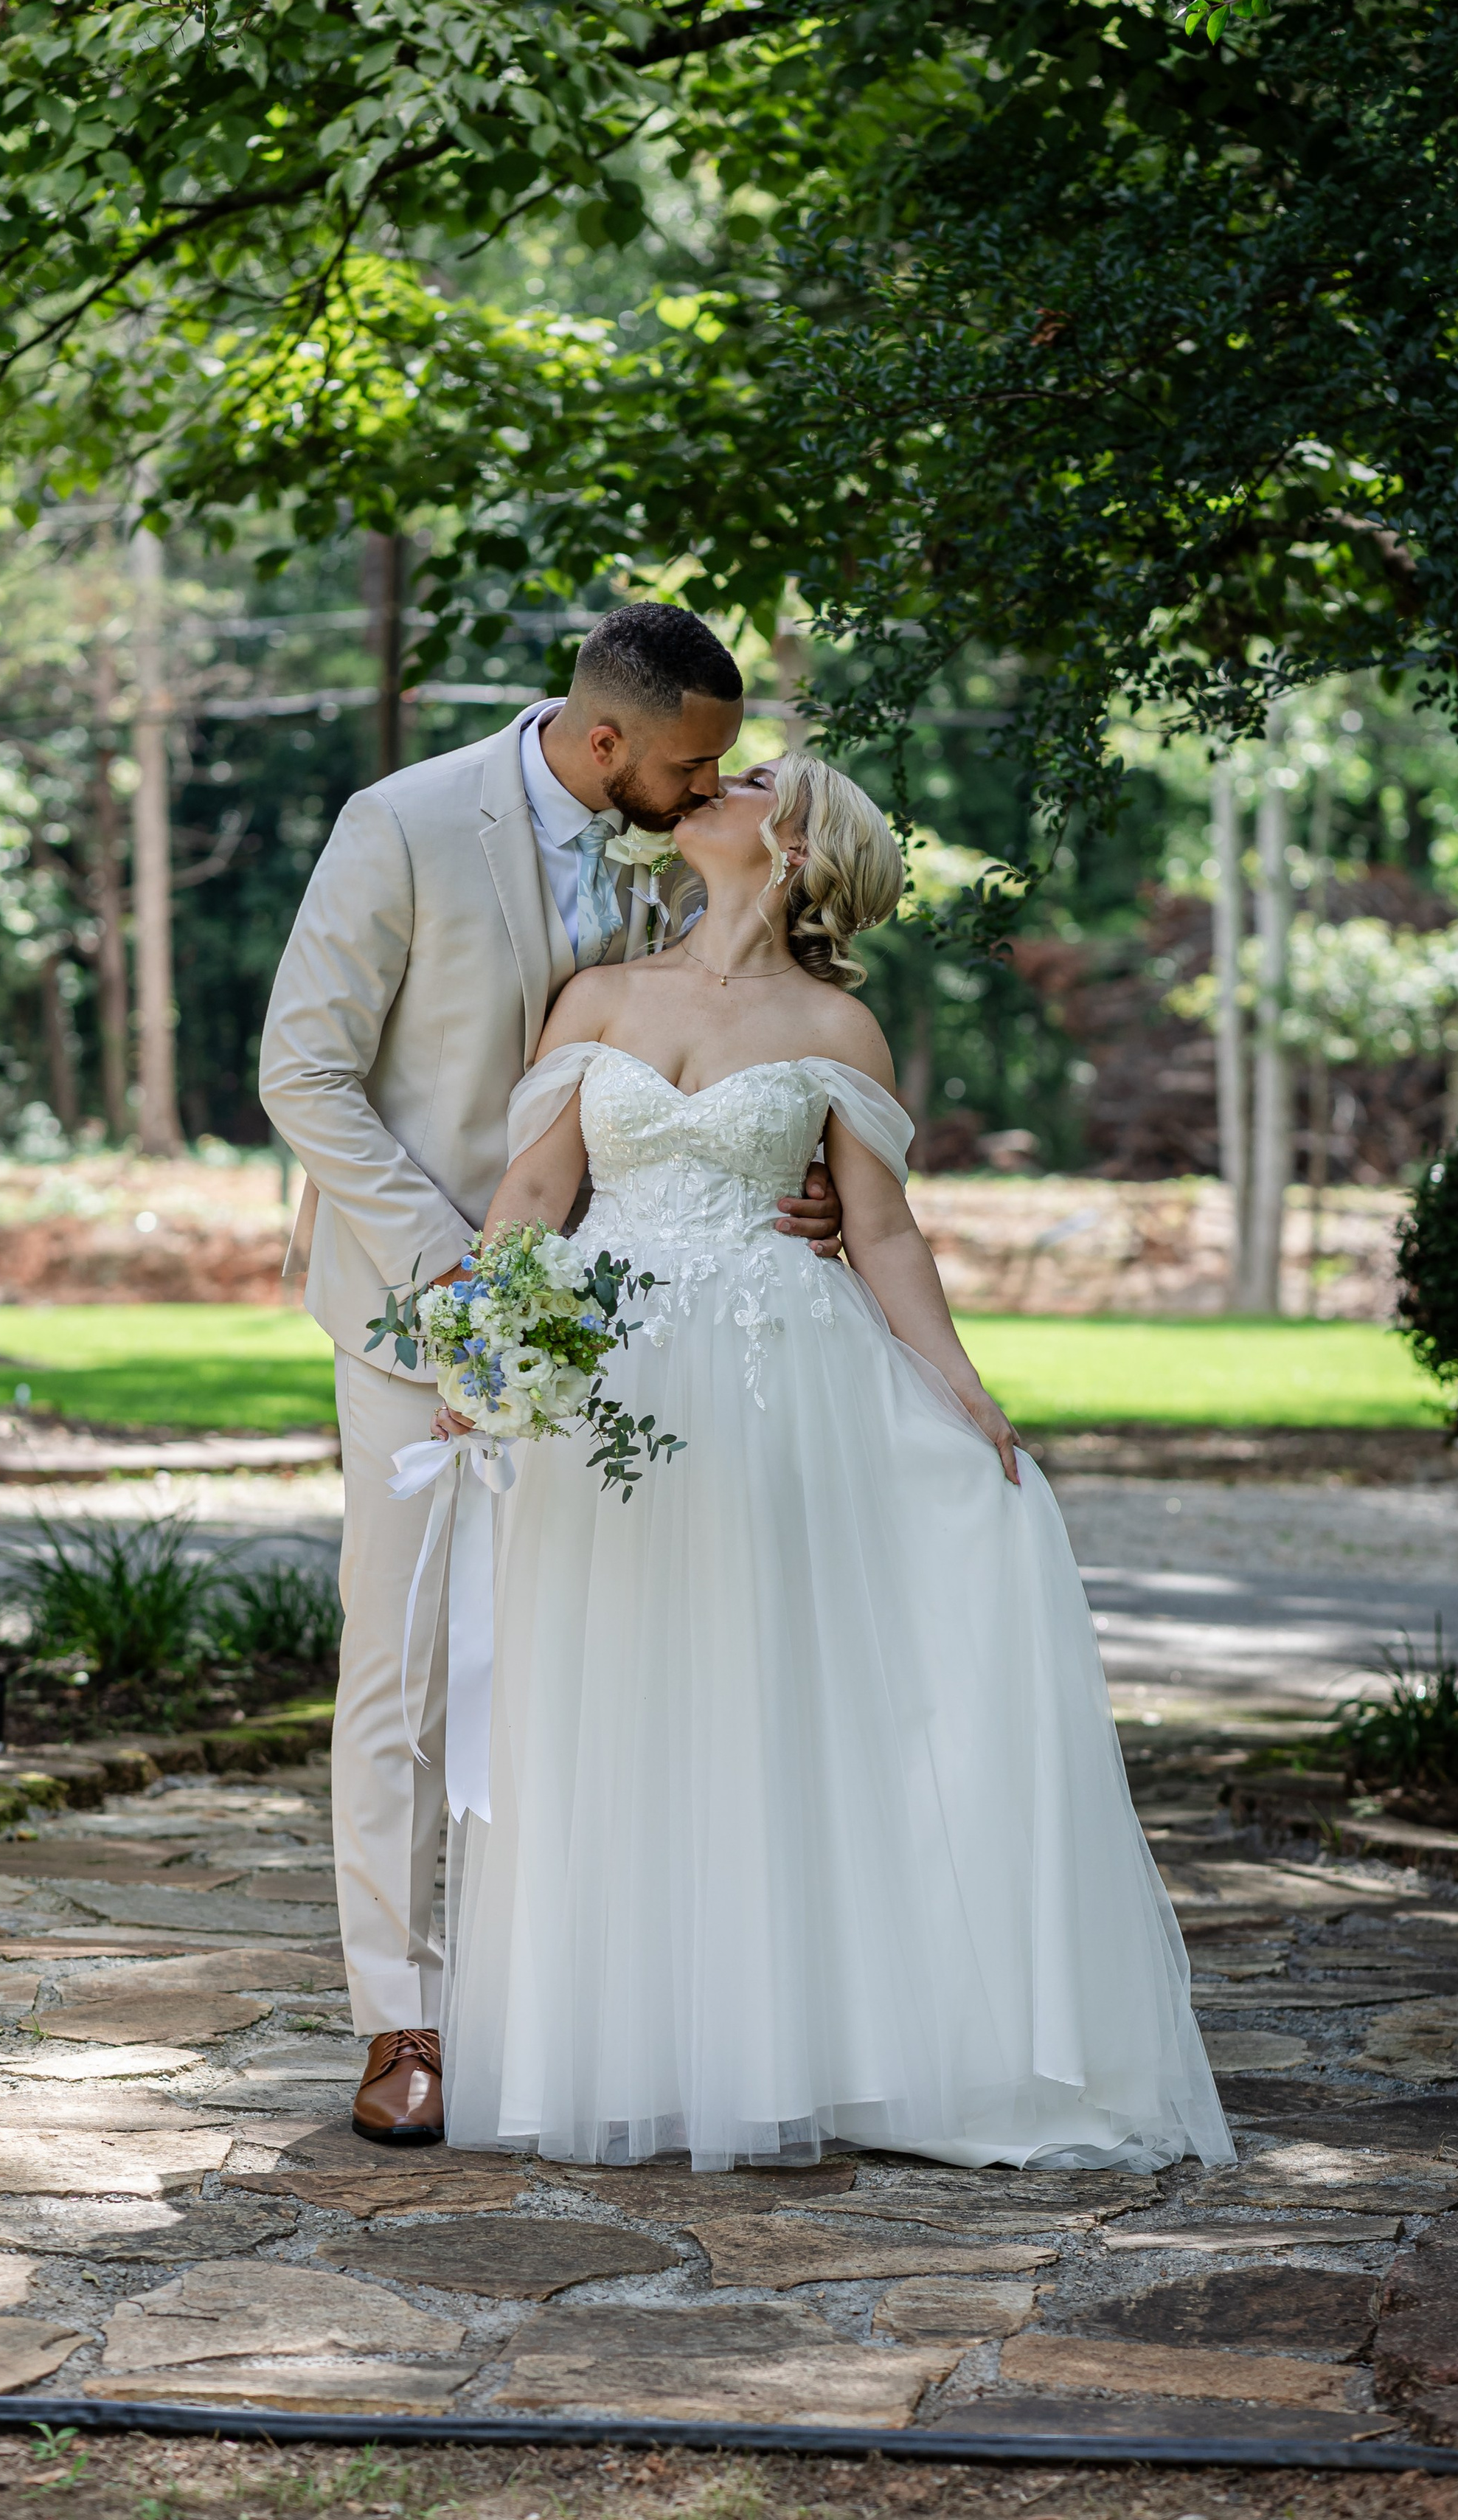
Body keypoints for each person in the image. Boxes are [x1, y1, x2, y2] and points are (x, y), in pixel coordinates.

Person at [434, 752, 1234, 2172]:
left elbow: (882, 1231)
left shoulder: (836, 1028)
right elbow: (540, 1189)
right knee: (610, 1690)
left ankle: (794, 2041)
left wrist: (966, 1390)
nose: (714, 784)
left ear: (791, 844)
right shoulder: (600, 995)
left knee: (760, 1689)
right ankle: (623, 2042)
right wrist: (484, 1349)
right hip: (604, 1385)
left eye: (746, 781)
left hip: (773, 1383)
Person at [258, 607, 846, 2145]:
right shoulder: (398, 826)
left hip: (649, 1325)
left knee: (596, 1669)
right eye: (691, 761)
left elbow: (724, 1046)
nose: (714, 783)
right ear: (605, 745)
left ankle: (577, 2010)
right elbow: (299, 1070)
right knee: (402, 1671)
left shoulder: (677, 837)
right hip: (421, 1305)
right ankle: (403, 2020)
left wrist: (790, 1175)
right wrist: (459, 1269)